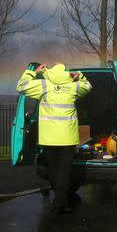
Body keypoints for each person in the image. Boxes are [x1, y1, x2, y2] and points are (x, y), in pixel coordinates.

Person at [16, 63, 92, 213]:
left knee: (53, 169)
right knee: (64, 171)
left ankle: (60, 200)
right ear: (66, 73)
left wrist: (32, 72)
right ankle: (61, 201)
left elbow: (21, 86)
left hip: (49, 138)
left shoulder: (43, 85)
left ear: (49, 72)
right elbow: (88, 86)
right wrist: (79, 76)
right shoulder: (72, 86)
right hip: (67, 138)